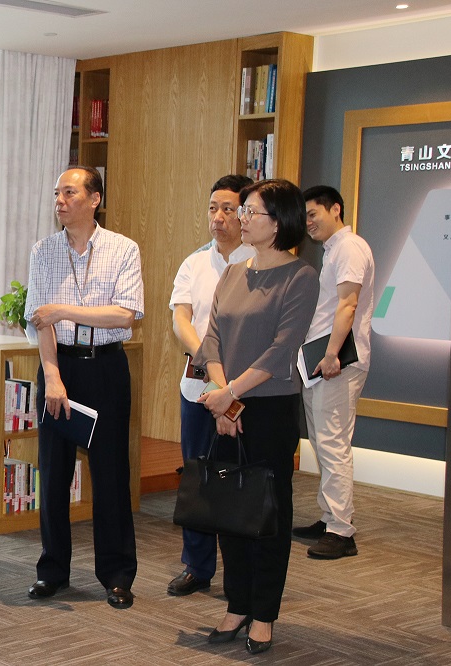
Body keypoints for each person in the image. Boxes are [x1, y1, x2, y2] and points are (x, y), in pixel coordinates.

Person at [195, 179, 319, 654]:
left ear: (280, 221)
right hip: (227, 404)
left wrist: (230, 395)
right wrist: (223, 398)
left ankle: (263, 612)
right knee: (230, 510)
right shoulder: (232, 272)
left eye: (251, 212)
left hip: (268, 409)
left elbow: (281, 350)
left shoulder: (300, 276)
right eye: (241, 211)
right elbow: (212, 340)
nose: (241, 219)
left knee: (268, 513)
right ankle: (237, 603)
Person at [24, 166, 143, 609]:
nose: (60, 200)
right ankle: (52, 571)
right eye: (57, 193)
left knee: (111, 474)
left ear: (95, 199)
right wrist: (52, 376)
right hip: (59, 367)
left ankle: (117, 574)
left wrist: (63, 310)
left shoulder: (123, 249)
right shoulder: (43, 251)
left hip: (106, 368)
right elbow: (41, 320)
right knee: (53, 473)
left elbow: (125, 314)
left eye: (70, 192)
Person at [167, 174, 254, 597]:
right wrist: (208, 358)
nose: (218, 217)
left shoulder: (261, 261)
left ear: (246, 214)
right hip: (200, 386)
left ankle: (243, 568)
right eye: (212, 208)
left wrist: (228, 380)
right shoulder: (194, 262)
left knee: (241, 477)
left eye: (228, 209)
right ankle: (197, 565)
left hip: (247, 386)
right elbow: (180, 318)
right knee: (199, 475)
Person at [294, 185, 374, 559]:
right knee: (324, 442)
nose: (308, 222)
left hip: (336, 363)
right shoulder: (334, 250)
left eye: (313, 214)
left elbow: (348, 304)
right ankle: (330, 518)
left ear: (335, 209)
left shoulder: (350, 247)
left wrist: (330, 356)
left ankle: (341, 531)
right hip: (321, 362)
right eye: (305, 216)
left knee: (333, 444)